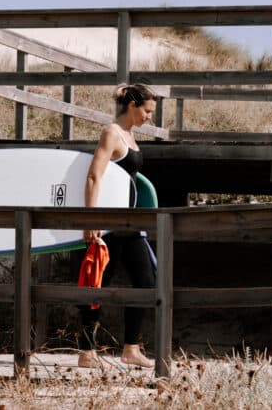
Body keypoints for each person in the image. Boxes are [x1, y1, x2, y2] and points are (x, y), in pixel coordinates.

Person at [78, 83, 158, 369]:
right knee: (98, 283)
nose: (150, 117)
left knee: (146, 282)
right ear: (133, 105)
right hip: (109, 224)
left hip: (130, 222)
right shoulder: (112, 133)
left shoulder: (131, 135)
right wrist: (92, 219)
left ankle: (131, 349)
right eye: (147, 111)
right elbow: (93, 177)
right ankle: (87, 353)